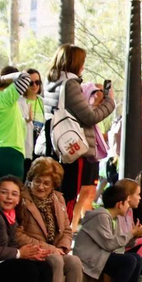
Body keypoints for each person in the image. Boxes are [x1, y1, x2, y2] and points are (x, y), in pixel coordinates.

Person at [44, 45, 115, 231]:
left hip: (55, 145)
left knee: (57, 194)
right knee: (68, 195)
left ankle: (56, 233)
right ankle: (62, 236)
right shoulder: (70, 84)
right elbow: (89, 117)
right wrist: (109, 103)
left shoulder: (51, 82)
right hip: (72, 148)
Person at [17, 157, 88, 282]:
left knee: (74, 262)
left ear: (53, 184)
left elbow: (66, 229)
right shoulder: (23, 200)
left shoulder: (58, 199)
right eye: (37, 181)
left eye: (46, 183)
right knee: (56, 260)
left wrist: (63, 247)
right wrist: (50, 249)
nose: (41, 187)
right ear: (30, 180)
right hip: (36, 250)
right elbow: (18, 235)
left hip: (56, 249)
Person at [75, 180, 142, 282]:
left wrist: (135, 235)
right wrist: (131, 233)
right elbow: (110, 244)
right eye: (127, 203)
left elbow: (120, 245)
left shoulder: (113, 218)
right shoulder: (102, 216)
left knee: (136, 258)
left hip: (102, 255)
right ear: (119, 204)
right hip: (90, 258)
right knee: (129, 260)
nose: (129, 206)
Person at [0, 66, 39, 190]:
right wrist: (0, 79)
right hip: (8, 157)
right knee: (11, 203)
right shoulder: (5, 97)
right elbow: (25, 77)